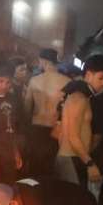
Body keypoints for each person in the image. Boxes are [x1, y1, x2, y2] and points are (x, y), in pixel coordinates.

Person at [56, 55, 103, 197]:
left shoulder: (80, 95)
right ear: (88, 74)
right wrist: (90, 163)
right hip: (72, 158)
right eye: (101, 78)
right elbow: (73, 135)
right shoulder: (79, 97)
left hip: (72, 157)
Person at [23, 48, 69, 177]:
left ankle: (31, 195)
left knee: (34, 169)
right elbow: (68, 110)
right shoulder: (67, 82)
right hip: (55, 131)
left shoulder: (34, 81)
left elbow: (27, 108)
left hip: (36, 128)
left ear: (43, 61)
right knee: (50, 169)